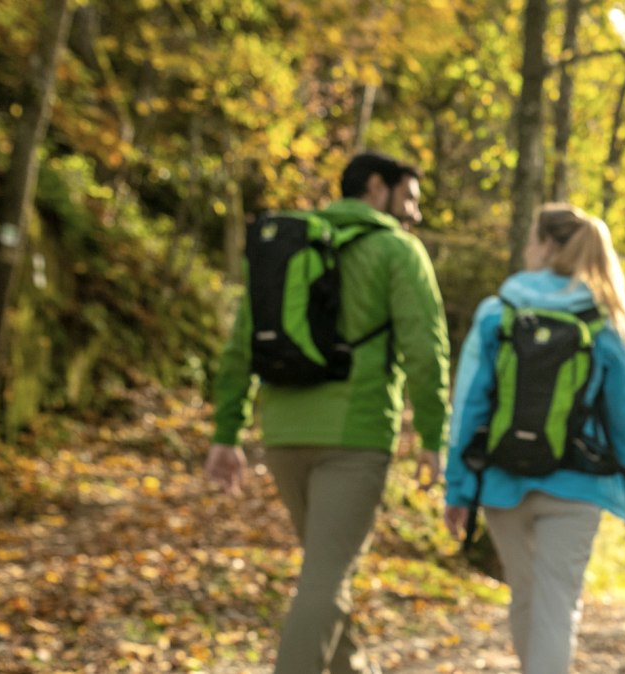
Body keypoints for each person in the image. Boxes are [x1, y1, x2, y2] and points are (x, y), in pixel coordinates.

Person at [205, 152, 450, 674]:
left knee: (325, 575)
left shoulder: (287, 248)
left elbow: (240, 345)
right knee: (326, 581)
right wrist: (434, 435)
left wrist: (226, 433)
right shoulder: (397, 251)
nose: (415, 214)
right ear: (377, 187)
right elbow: (425, 350)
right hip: (355, 439)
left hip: (284, 436)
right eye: (409, 198)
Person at [442, 204, 625, 674]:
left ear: (547, 246)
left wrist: (457, 488)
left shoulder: (498, 312)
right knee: (557, 606)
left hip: (501, 482)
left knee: (526, 597)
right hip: (579, 487)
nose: (525, 249)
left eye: (531, 239)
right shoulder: (605, 319)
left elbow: (468, 407)